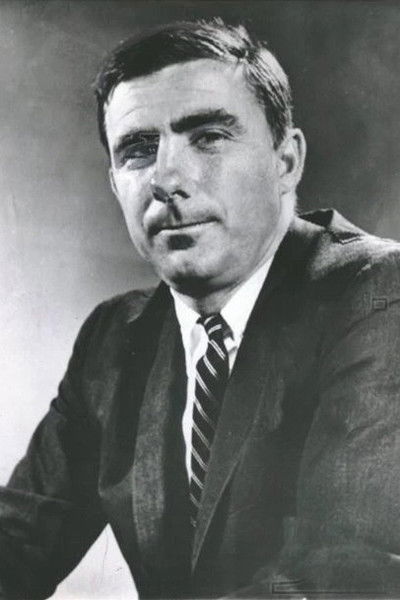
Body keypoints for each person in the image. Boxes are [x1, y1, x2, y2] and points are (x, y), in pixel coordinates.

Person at [1, 18, 400, 600]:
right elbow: (16, 544)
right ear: (115, 184)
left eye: (208, 136)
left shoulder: (377, 296)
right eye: (138, 150)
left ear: (286, 161)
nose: (165, 178)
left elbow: (345, 576)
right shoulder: (114, 337)